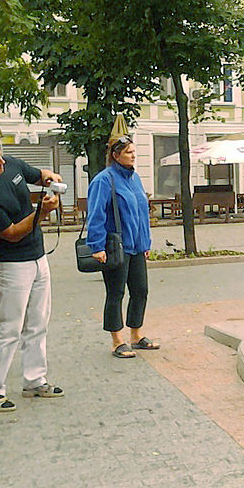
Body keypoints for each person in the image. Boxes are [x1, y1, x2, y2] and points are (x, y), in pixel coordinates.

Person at [0, 136, 64, 412]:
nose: (2, 161)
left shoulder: (9, 164)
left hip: (38, 257)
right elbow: (10, 234)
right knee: (7, 328)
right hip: (12, 265)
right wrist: (41, 212)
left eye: (0, 155)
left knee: (38, 322)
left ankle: (34, 380)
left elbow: (38, 174)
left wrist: (49, 178)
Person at [86, 135, 156, 359]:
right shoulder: (104, 180)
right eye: (128, 152)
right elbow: (96, 214)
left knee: (140, 291)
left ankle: (136, 335)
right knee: (115, 292)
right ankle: (117, 340)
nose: (133, 155)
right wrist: (96, 246)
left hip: (136, 246)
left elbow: (141, 212)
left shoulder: (135, 179)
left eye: (134, 151)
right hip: (115, 247)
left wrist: (145, 242)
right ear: (115, 156)